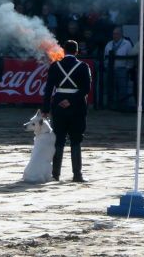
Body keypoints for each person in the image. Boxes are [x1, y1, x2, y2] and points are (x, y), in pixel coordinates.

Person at [42, 40, 92, 182]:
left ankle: (55, 174)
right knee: (76, 140)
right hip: (77, 106)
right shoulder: (83, 67)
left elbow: (48, 89)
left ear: (64, 51)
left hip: (58, 104)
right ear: (77, 52)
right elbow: (86, 89)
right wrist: (71, 100)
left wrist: (46, 108)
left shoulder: (55, 66)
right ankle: (77, 174)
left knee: (58, 140)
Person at [103, 26, 132, 110]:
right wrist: (106, 67)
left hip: (122, 69)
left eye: (117, 33)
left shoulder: (127, 44)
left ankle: (123, 107)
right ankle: (111, 106)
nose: (115, 35)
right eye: (113, 34)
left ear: (121, 34)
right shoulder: (109, 44)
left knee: (122, 89)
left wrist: (128, 68)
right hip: (110, 70)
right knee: (111, 88)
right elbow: (105, 57)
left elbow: (130, 57)